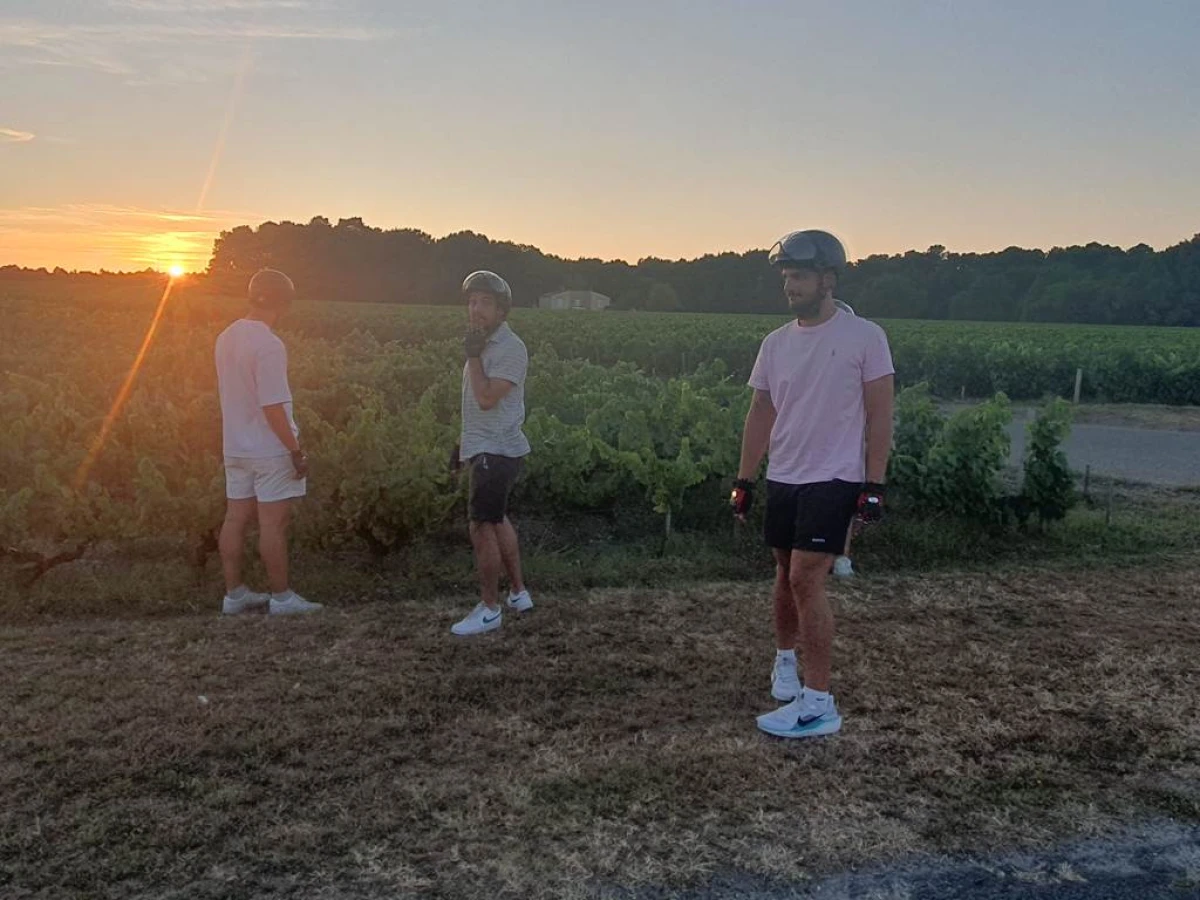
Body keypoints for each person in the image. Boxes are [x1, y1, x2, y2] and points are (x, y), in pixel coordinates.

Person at [731, 230, 894, 738]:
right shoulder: (775, 344)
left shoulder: (865, 337)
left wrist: (874, 484)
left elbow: (880, 412)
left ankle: (818, 702)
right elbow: (760, 411)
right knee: (783, 575)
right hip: (785, 475)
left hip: (835, 476)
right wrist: (745, 477)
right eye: (786, 277)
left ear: (827, 279)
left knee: (806, 578)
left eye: (798, 276)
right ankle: (785, 662)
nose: (789, 286)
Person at [215, 268, 322, 616]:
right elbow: (272, 406)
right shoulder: (270, 345)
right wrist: (295, 450)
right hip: (269, 449)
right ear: (285, 303)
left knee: (235, 520)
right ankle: (282, 598)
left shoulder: (225, 336)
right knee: (273, 524)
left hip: (234, 446)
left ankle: (234, 595)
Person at [449, 270, 534, 636]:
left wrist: (473, 357)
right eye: (472, 301)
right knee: (497, 520)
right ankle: (519, 594)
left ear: (502, 310)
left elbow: (485, 399)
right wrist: (462, 443)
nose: (476, 309)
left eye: (485, 302)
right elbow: (474, 406)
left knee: (480, 525)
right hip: (484, 445)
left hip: (497, 450)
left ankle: (489, 608)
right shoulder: (483, 345)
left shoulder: (510, 349)